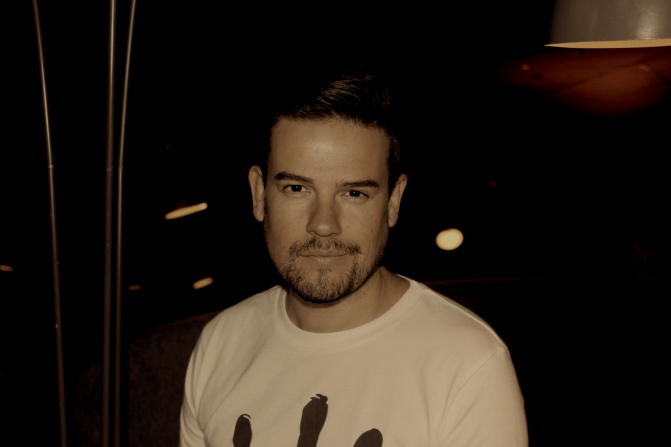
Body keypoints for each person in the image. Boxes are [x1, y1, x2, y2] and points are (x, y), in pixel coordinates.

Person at [179, 70, 528, 446]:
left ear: (393, 202)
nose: (323, 224)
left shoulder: (467, 365)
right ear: (259, 194)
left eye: (354, 194)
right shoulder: (221, 344)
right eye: (296, 188)